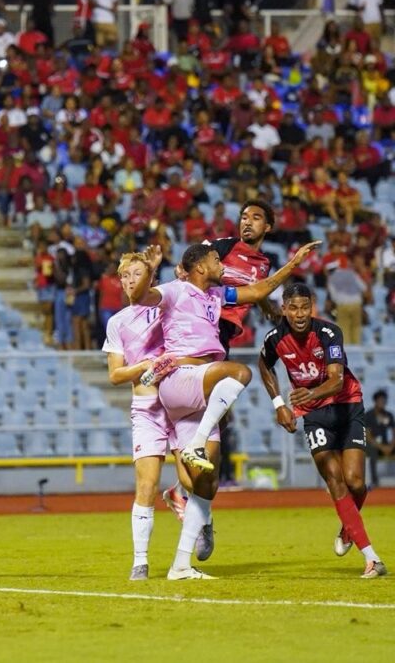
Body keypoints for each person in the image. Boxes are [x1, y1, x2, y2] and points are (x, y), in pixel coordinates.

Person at [134, 239, 320, 579]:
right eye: (217, 260)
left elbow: (260, 289)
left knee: (207, 483)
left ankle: (180, 565)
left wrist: (293, 264)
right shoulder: (175, 290)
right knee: (241, 371)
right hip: (181, 378)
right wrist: (148, 269)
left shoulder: (217, 296)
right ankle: (195, 444)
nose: (223, 265)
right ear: (201, 266)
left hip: (203, 390)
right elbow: (140, 298)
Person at [259, 283, 386, 578]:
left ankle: (347, 528)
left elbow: (337, 380)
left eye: (305, 307)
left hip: (347, 407)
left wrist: (309, 394)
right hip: (315, 417)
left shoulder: (329, 333)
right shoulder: (275, 338)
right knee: (335, 481)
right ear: (284, 309)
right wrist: (279, 403)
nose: (300, 314)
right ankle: (371, 559)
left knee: (356, 483)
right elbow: (264, 365)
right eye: (293, 308)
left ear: (312, 306)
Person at [164, 200, 278, 511]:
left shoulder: (264, 263)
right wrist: (181, 270)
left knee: (221, 416)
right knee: (216, 404)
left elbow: (253, 288)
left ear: (267, 227)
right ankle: (184, 462)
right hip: (206, 326)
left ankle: (181, 486)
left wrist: (268, 307)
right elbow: (190, 263)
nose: (247, 222)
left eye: (255, 218)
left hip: (224, 333)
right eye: (244, 217)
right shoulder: (222, 246)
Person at [103, 252, 192, 580]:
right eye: (124, 275)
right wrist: (142, 367)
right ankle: (140, 561)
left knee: (191, 479)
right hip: (146, 410)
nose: (128, 281)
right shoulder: (117, 322)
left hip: (177, 403)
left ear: (150, 278)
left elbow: (185, 292)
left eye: (135, 274)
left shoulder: (165, 307)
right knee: (146, 484)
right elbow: (115, 375)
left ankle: (182, 500)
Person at [364, 390, 394, 488]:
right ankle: (374, 482)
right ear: (375, 401)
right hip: (373, 445)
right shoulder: (368, 415)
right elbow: (368, 437)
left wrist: (391, 446)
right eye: (380, 400)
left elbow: (394, 432)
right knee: (372, 450)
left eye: (384, 401)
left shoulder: (388, 415)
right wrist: (382, 448)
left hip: (386, 445)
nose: (382, 403)